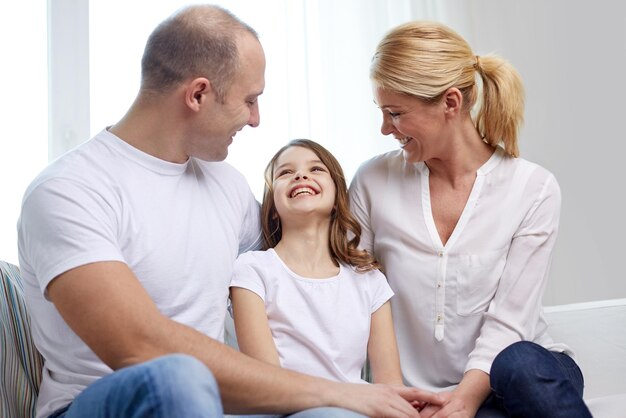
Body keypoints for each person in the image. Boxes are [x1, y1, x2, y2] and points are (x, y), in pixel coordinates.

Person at [17, 6, 441, 418]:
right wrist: (341, 393)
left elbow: (297, 267)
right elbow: (139, 348)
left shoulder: (227, 186)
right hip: (103, 402)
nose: (256, 120)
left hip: (214, 405)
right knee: (177, 377)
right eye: (250, 100)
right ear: (198, 94)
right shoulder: (69, 191)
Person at [348, 21, 592, 418]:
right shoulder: (373, 181)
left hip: (515, 380)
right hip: (427, 391)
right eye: (382, 112)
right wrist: (394, 394)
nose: (384, 128)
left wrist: (464, 400)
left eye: (395, 113)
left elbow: (511, 320)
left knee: (519, 364)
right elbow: (354, 294)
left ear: (450, 103)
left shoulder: (533, 188)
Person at [230, 139, 408, 390]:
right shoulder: (252, 271)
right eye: (285, 172)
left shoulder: (370, 280)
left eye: (316, 169)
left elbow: (391, 385)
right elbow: (269, 383)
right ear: (271, 208)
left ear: (337, 198)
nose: (301, 175)